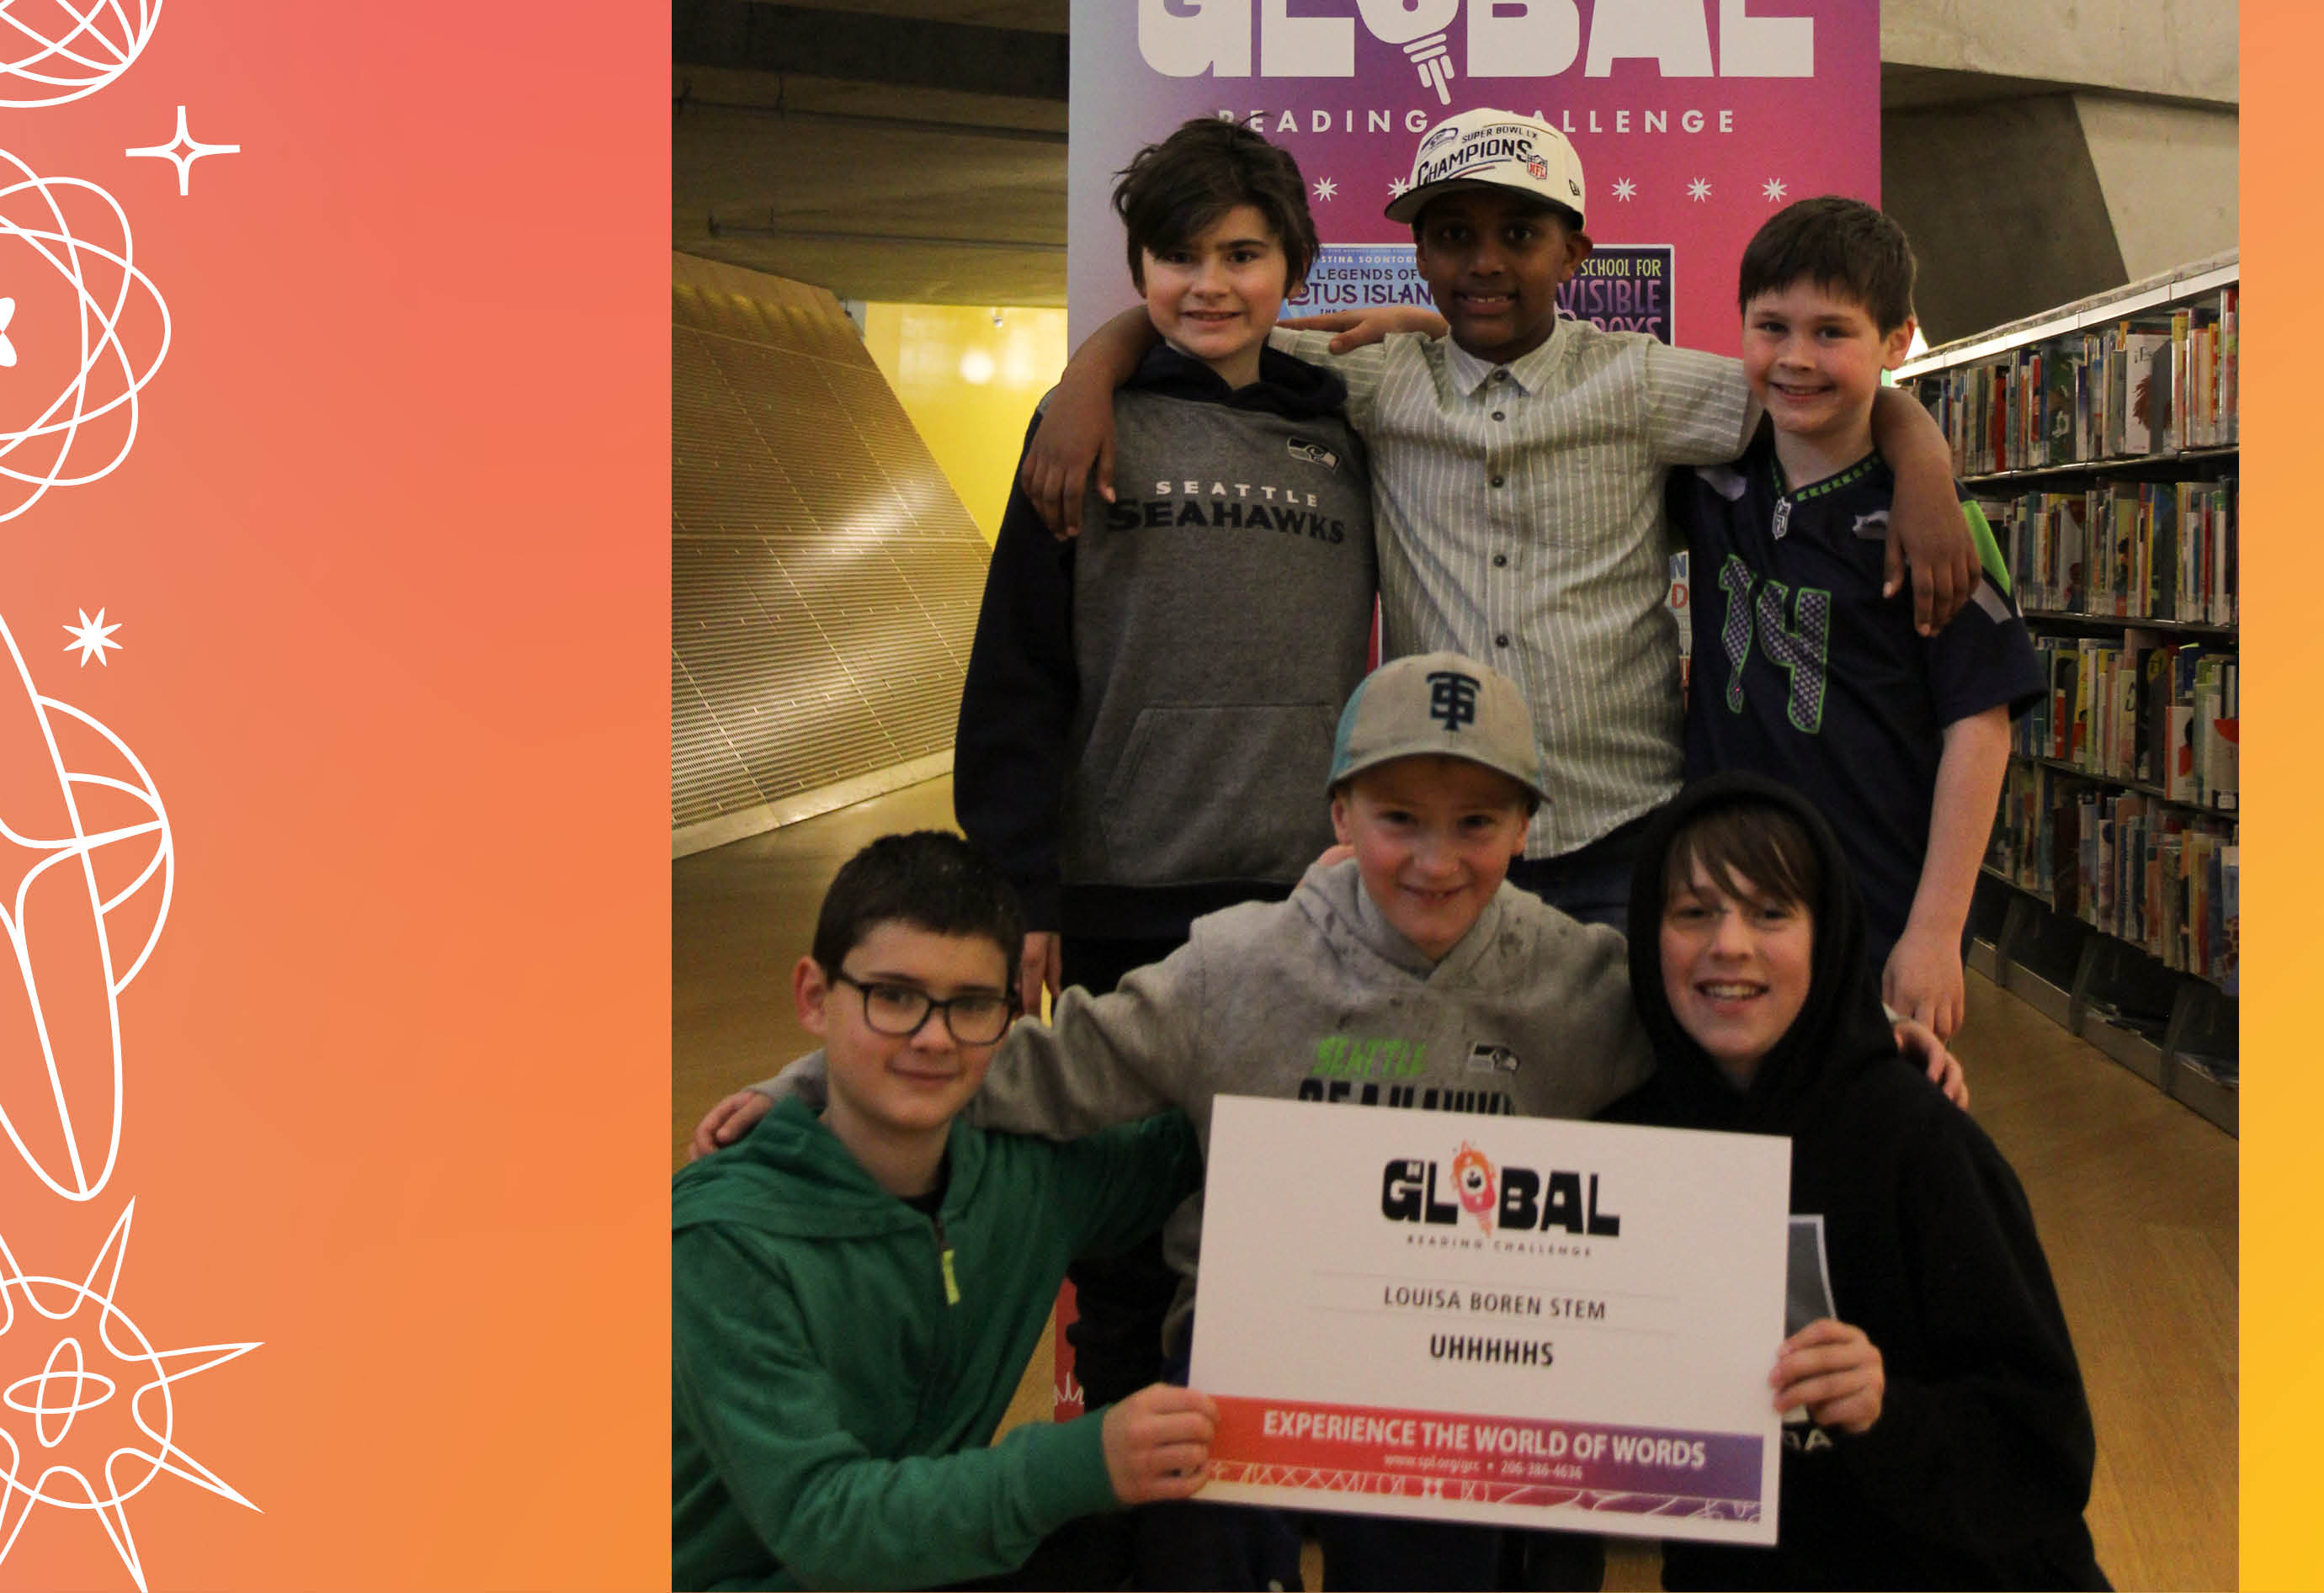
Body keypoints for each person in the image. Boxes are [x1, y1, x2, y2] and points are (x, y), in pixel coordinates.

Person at [691, 658, 1970, 1589]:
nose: (1434, 857)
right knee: (1198, 1548)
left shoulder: (1589, 986)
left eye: (1476, 823)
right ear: (1338, 815)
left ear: (1528, 828)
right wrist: (808, 1082)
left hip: (1477, 1391)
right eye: (1397, 819)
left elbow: (1734, 1035)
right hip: (1244, 1387)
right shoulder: (1232, 970)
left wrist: (1871, 1033)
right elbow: (1014, 1059)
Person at [1020, 109, 1980, 930]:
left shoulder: (1640, 382)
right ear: (1418, 252)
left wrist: (1922, 460)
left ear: (1574, 253)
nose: (1483, 262)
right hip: (1444, 839)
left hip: (1625, 830)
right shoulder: (1373, 379)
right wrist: (1089, 373)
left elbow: (1806, 389)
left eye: (1519, 235)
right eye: (1451, 235)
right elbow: (1206, 313)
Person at [958, 115, 1377, 1442]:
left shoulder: (1344, 419)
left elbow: (1456, 359)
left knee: (1288, 1223)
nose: (1209, 282)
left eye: (1242, 254)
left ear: (1292, 266)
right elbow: (1016, 672)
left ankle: (1278, 1477)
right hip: (1120, 894)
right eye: (1174, 255)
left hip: (1300, 903)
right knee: (1127, 1232)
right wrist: (1019, 888)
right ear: (1136, 266)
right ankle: (1140, 1492)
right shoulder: (1081, 426)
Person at [671, 831, 1216, 1592]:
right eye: (893, 996)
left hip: (920, 1562)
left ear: (1011, 1014)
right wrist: (1086, 1459)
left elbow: (1193, 1145)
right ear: (814, 997)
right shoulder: (722, 1243)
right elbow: (823, 1521)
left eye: (970, 1005)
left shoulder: (1021, 1179)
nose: (933, 1037)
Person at [1605, 775, 2107, 1591]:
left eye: (1770, 914)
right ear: (1644, 935)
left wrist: (1886, 1411)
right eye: (1692, 912)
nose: (1727, 943)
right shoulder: (1624, 1144)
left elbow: (2042, 1451)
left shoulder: (1921, 1141)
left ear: (1827, 936)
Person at [1678, 195, 2045, 1038]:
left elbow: (1979, 730)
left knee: (1867, 1143)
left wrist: (1934, 930)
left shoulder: (1933, 533)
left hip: (1869, 906)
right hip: (1719, 898)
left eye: (1830, 332)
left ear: (1894, 340)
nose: (1794, 358)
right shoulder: (1709, 473)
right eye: (1770, 326)